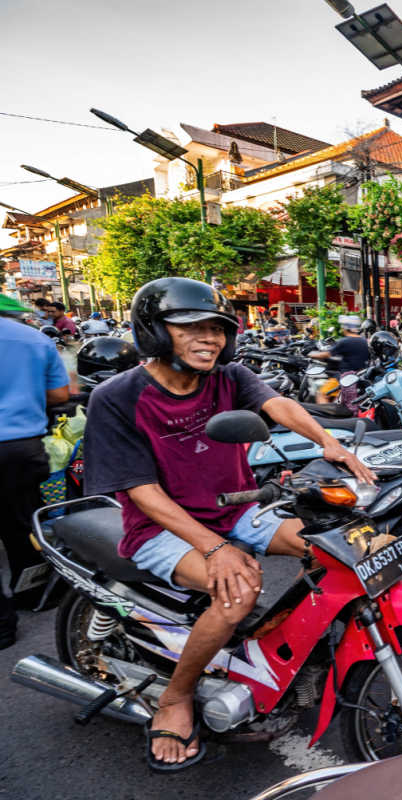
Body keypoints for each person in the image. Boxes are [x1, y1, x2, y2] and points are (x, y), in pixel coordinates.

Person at [84, 278, 375, 770]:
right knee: (239, 588)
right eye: (190, 327)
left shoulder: (229, 376)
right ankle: (176, 697)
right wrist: (215, 549)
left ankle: (271, 647)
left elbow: (277, 405)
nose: (209, 338)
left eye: (217, 328)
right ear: (155, 332)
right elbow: (141, 493)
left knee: (335, 547)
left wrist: (329, 441)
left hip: (236, 508)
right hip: (162, 529)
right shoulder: (118, 397)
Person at [0, 294, 70, 650]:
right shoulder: (34, 338)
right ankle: (33, 594)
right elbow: (60, 393)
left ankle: (0, 625)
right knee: (24, 527)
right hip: (23, 448)